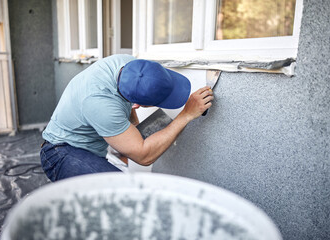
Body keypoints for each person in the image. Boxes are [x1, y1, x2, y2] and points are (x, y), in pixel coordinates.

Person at [40, 54, 214, 181]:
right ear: (139, 103)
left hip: (89, 144)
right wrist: (186, 115)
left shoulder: (131, 66)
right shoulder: (100, 104)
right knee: (121, 189)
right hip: (61, 152)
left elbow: (124, 110)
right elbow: (143, 157)